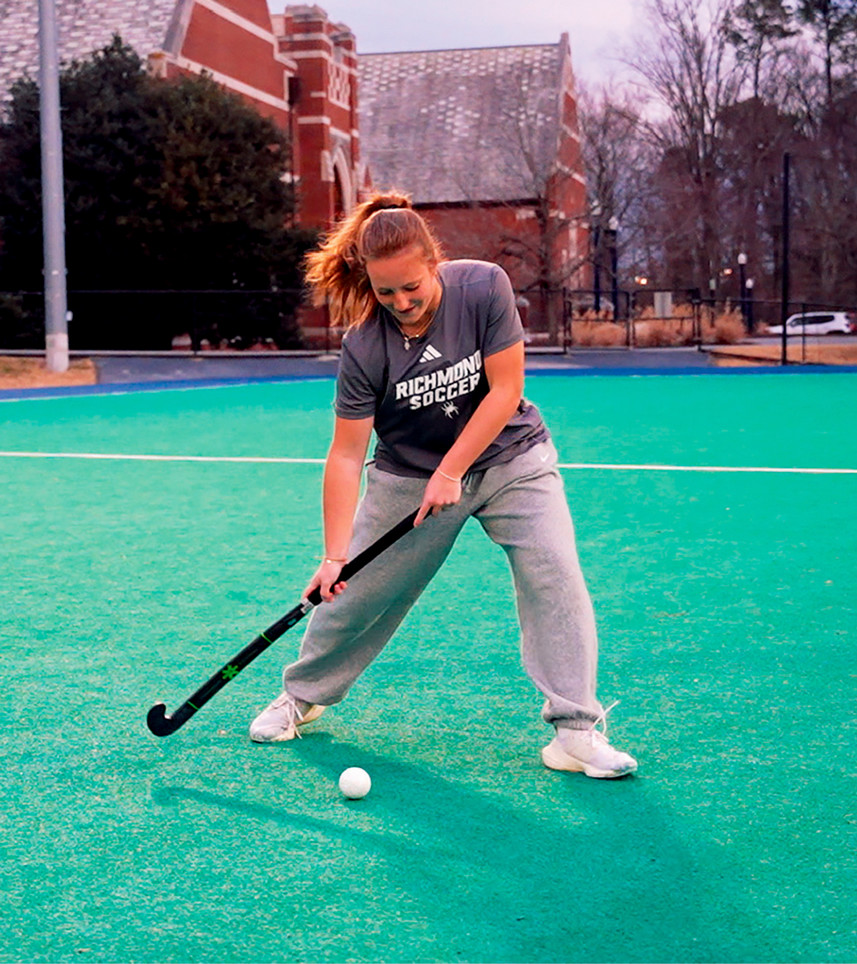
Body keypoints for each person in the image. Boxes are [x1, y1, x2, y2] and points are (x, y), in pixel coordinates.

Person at [250, 191, 637, 779]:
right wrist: (333, 555)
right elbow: (346, 454)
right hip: (408, 476)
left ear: (435, 262)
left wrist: (452, 470)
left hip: (512, 458)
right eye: (386, 293)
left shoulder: (483, 287)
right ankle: (301, 696)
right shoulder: (363, 347)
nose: (402, 303)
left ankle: (575, 732)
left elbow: (505, 389)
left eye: (413, 287)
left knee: (554, 573)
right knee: (355, 590)